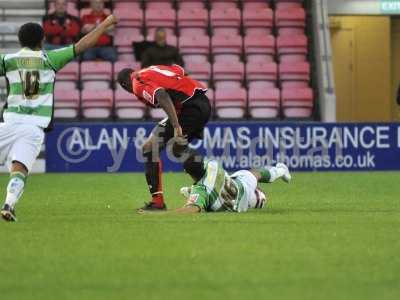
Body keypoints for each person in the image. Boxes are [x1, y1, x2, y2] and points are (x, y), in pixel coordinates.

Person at [0, 15, 118, 222]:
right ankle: (9, 203)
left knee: (17, 168)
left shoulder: (8, 61)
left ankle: (10, 204)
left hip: (9, 122)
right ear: (42, 41)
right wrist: (106, 23)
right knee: (19, 169)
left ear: (20, 41)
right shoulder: (49, 59)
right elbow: (83, 45)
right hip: (34, 126)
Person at [117, 65, 211, 212]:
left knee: (150, 148)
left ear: (124, 85)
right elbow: (179, 70)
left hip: (189, 109)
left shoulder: (136, 82)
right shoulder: (152, 69)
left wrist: (176, 125)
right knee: (177, 149)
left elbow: (161, 95)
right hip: (202, 103)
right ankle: (208, 185)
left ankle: (158, 203)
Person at [173, 155, 291, 213]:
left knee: (206, 198)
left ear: (186, 172)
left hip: (236, 206)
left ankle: (280, 172)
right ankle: (281, 170)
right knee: (255, 174)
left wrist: (170, 214)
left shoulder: (201, 190)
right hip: (240, 187)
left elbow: (193, 208)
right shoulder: (211, 164)